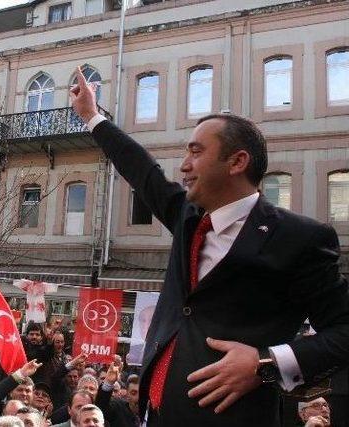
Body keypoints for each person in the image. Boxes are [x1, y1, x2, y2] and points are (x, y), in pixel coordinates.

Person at [70, 65, 349, 426]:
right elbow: (141, 170)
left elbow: (343, 331)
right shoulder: (187, 218)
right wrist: (92, 117)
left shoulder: (301, 239)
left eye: (196, 152)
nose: (184, 166)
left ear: (237, 161)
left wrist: (265, 364)